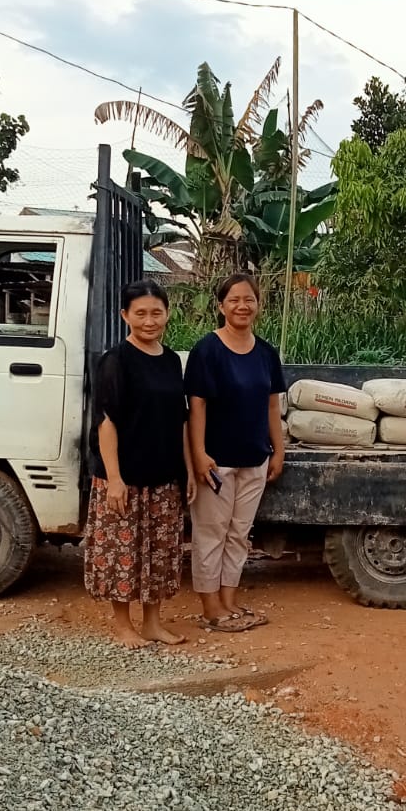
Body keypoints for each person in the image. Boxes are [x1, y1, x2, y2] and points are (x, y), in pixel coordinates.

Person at [84, 280, 196, 648]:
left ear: (167, 314)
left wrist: (189, 471)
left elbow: (180, 421)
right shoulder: (114, 361)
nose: (150, 321)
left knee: (160, 555)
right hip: (124, 479)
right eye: (141, 313)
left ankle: (152, 623)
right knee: (122, 554)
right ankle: (122, 625)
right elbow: (107, 422)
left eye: (157, 312)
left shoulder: (169, 361)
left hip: (164, 476)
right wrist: (114, 478)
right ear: (125, 316)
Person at [185, 272, 286, 632]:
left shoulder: (265, 353)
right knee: (211, 533)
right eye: (234, 300)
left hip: (255, 458)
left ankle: (229, 601)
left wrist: (278, 449)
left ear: (258, 305)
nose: (242, 306)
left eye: (249, 300)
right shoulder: (207, 351)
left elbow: (272, 406)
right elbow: (196, 408)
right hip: (217, 461)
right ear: (221, 305)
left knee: (239, 533)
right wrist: (199, 453)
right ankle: (210, 607)